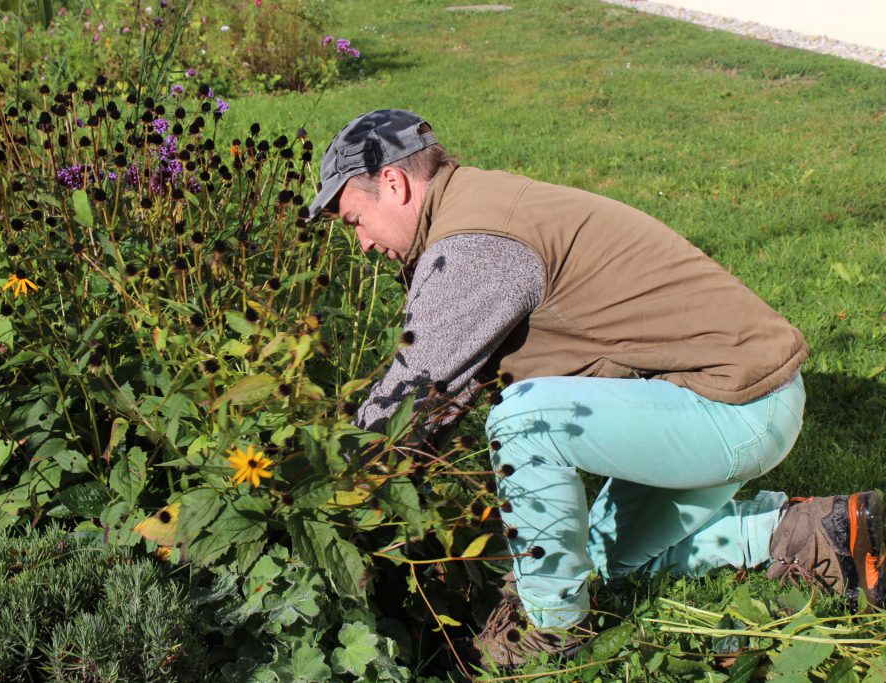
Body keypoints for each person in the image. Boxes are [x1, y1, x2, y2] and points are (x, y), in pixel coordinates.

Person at [306, 109, 885, 667]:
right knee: (601, 559)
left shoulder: (475, 246)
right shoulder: (474, 205)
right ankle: (820, 532)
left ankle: (552, 631)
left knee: (523, 421)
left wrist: (324, 493)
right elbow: (444, 395)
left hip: (735, 409)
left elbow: (415, 394)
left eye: (355, 220)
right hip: (726, 399)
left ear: (393, 182)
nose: (360, 243)